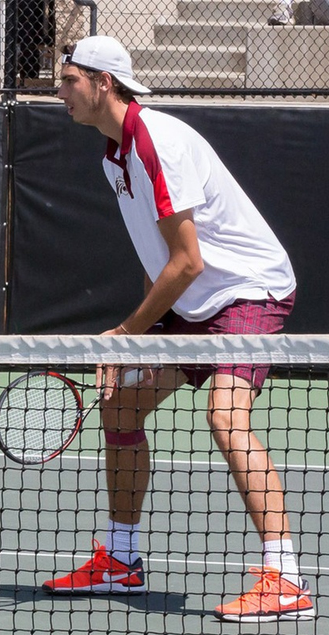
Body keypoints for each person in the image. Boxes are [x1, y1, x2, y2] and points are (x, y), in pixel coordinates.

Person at [48, 36, 308, 623]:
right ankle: (121, 560)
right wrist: (147, 335)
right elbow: (157, 255)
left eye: (68, 80)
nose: (59, 90)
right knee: (120, 408)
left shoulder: (156, 143)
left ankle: (285, 577)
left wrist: (128, 333)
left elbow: (188, 259)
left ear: (102, 82)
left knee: (225, 415)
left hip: (248, 290)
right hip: (191, 301)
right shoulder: (113, 156)